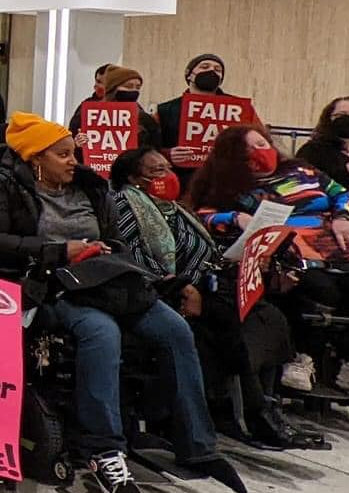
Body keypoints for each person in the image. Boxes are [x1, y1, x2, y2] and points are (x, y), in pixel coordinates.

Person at [0, 112, 225, 493]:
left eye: (74, 152)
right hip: (50, 287)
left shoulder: (92, 188)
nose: (75, 160)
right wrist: (59, 251)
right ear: (36, 157)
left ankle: (196, 442)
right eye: (63, 154)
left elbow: (118, 240)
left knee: (174, 328)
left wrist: (104, 253)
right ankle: (104, 450)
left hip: (104, 281)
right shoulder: (2, 190)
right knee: (100, 332)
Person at [109, 147, 319, 450]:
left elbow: (207, 252)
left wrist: (244, 260)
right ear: (133, 178)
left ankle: (264, 409)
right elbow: (135, 258)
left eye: (168, 168)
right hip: (168, 293)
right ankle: (253, 416)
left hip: (208, 284)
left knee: (268, 315)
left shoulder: (177, 209)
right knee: (226, 323)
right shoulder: (124, 205)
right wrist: (180, 286)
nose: (167, 175)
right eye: (156, 171)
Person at [188, 122, 349, 397]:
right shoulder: (226, 186)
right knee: (321, 290)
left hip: (334, 244)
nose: (259, 151)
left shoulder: (304, 171)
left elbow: (344, 195)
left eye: (262, 144)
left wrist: (343, 217)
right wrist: (235, 217)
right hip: (287, 255)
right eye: (249, 149)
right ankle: (301, 359)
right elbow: (202, 215)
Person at [295, 96, 349, 190]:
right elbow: (299, 181)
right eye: (341, 115)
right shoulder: (311, 151)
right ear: (329, 119)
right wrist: (342, 172)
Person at [156, 53, 232, 151]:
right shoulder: (165, 110)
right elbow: (152, 146)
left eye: (218, 70)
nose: (211, 71)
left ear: (221, 80)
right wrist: (169, 154)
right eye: (204, 67)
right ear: (189, 75)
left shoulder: (239, 108)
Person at [95, 65, 164, 152]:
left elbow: (155, 149)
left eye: (138, 87)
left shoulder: (146, 120)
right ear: (112, 89)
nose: (134, 91)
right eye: (128, 86)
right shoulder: (91, 115)